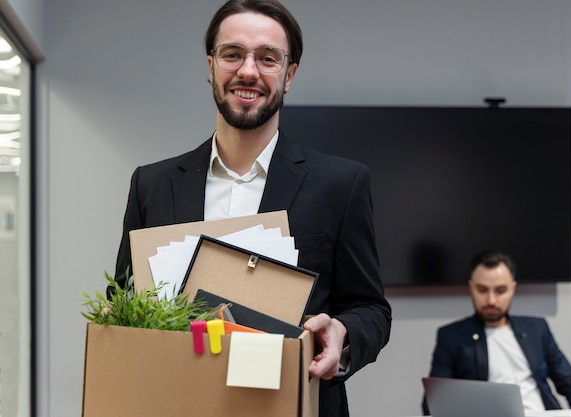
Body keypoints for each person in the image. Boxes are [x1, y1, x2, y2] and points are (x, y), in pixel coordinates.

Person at [111, 1, 392, 416]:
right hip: (176, 402)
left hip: (292, 404)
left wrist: (341, 331)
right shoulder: (150, 184)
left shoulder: (340, 184)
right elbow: (123, 297)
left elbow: (371, 309)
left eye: (267, 58)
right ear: (210, 66)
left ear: (289, 74)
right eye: (232, 54)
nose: (248, 71)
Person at [423, 250, 571, 415]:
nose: (491, 300)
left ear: (513, 288)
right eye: (482, 290)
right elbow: (433, 404)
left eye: (500, 290)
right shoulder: (452, 336)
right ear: (471, 287)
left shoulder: (536, 329)